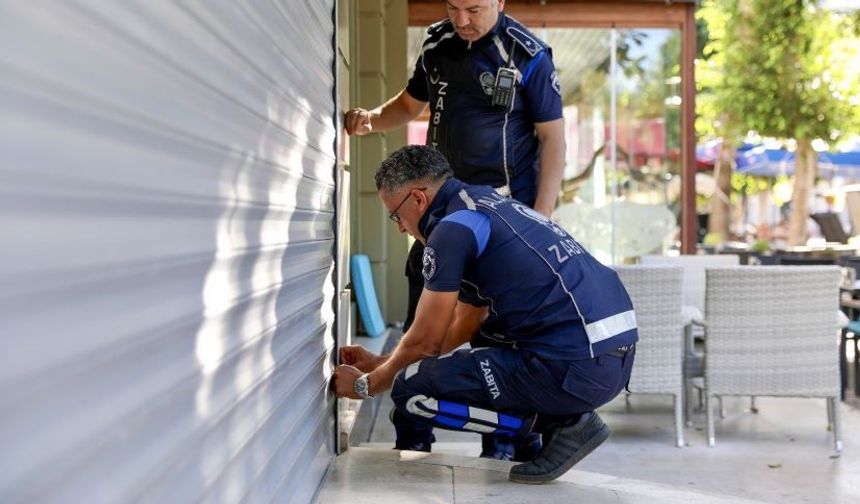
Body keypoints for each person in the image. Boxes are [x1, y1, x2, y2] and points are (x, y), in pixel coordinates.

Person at [332, 145, 637, 484]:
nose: (400, 228)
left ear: (418, 199)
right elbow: (466, 322)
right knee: (457, 348)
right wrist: (381, 362)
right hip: (610, 358)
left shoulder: (449, 231)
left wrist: (365, 385)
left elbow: (426, 342)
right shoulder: (484, 204)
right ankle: (560, 419)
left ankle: (565, 425)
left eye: (396, 215)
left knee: (411, 391)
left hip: (574, 366)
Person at [344, 0, 565, 460]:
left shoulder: (528, 55)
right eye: (453, 7)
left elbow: (552, 138)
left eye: (474, 9)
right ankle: (412, 442)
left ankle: (507, 450)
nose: (462, 20)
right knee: (419, 331)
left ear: (499, 3)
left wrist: (540, 220)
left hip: (502, 226)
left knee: (496, 344)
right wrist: (369, 122)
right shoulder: (437, 44)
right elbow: (409, 104)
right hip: (438, 217)